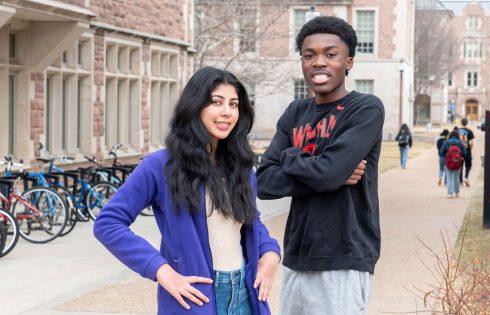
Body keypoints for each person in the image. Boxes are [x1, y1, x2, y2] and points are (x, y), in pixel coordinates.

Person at [94, 67, 281, 315]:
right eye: (216, 102)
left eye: (234, 104)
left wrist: (269, 251)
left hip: (246, 294)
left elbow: (249, 220)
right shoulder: (161, 166)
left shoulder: (241, 166)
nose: (227, 111)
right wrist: (161, 270)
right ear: (195, 106)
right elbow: (108, 223)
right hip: (196, 299)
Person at [256, 16, 385, 314]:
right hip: (297, 256)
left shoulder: (365, 108)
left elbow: (327, 173)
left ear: (348, 62)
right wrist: (329, 174)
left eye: (330, 54)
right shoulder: (295, 111)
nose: (318, 62)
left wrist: (289, 157)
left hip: (344, 256)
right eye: (309, 55)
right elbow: (264, 182)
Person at [439, 130, 467, 198]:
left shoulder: (446, 142)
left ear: (450, 135)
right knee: (456, 178)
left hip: (448, 162)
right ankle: (457, 192)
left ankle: (450, 193)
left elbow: (441, 152)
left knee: (449, 177)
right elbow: (465, 153)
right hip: (458, 163)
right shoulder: (460, 143)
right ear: (458, 135)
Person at [458, 117, 475, 187]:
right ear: (467, 123)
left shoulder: (457, 131)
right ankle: (466, 177)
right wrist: (470, 150)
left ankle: (460, 182)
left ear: (461, 122)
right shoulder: (469, 131)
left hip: (459, 151)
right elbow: (471, 142)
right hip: (467, 151)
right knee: (468, 165)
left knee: (460, 166)